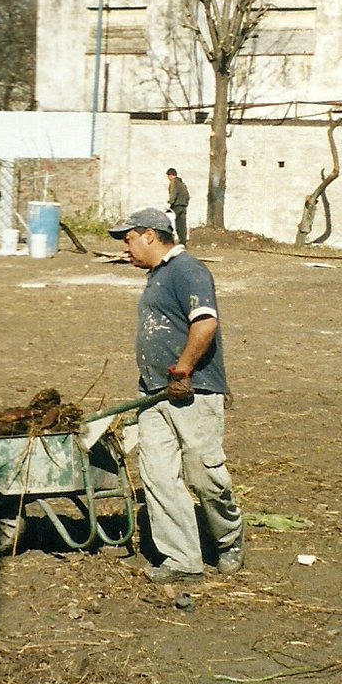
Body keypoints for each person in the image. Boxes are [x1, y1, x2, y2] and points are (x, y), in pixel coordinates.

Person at [109, 207, 243, 584]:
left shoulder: (187, 269)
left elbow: (206, 322)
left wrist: (183, 368)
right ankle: (182, 559)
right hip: (153, 395)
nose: (126, 248)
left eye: (129, 239)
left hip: (192, 391)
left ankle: (229, 538)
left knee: (204, 477)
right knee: (159, 477)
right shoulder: (158, 275)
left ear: (149, 235)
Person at [165, 169, 190, 245]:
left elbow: (173, 194)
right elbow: (187, 196)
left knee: (171, 223)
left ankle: (170, 241)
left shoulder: (174, 182)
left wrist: (170, 203)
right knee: (182, 226)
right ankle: (183, 242)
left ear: (170, 175)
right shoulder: (182, 183)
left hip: (176, 206)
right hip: (183, 206)